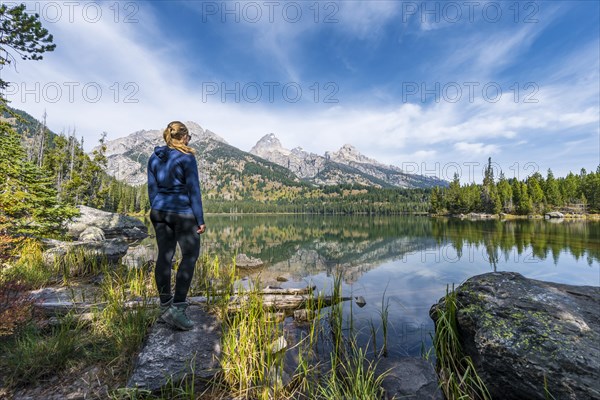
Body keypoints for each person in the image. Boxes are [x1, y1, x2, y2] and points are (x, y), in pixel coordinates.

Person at [147, 121, 206, 330]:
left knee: (164, 255)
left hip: (159, 211)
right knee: (189, 256)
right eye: (188, 137)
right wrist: (199, 219)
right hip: (182, 213)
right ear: (183, 137)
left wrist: (156, 208)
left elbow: (152, 189)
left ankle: (165, 308)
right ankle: (178, 309)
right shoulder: (187, 157)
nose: (189, 140)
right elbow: (193, 191)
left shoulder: (154, 157)